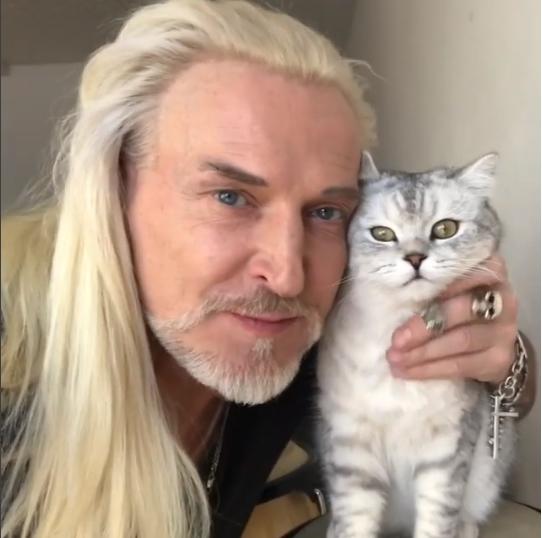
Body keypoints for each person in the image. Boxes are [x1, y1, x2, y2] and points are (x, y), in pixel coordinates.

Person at [0, 1, 535, 537]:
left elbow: (489, 388)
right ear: (113, 190)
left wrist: (506, 360)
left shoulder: (302, 339)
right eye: (230, 197)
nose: (288, 277)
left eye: (326, 212)